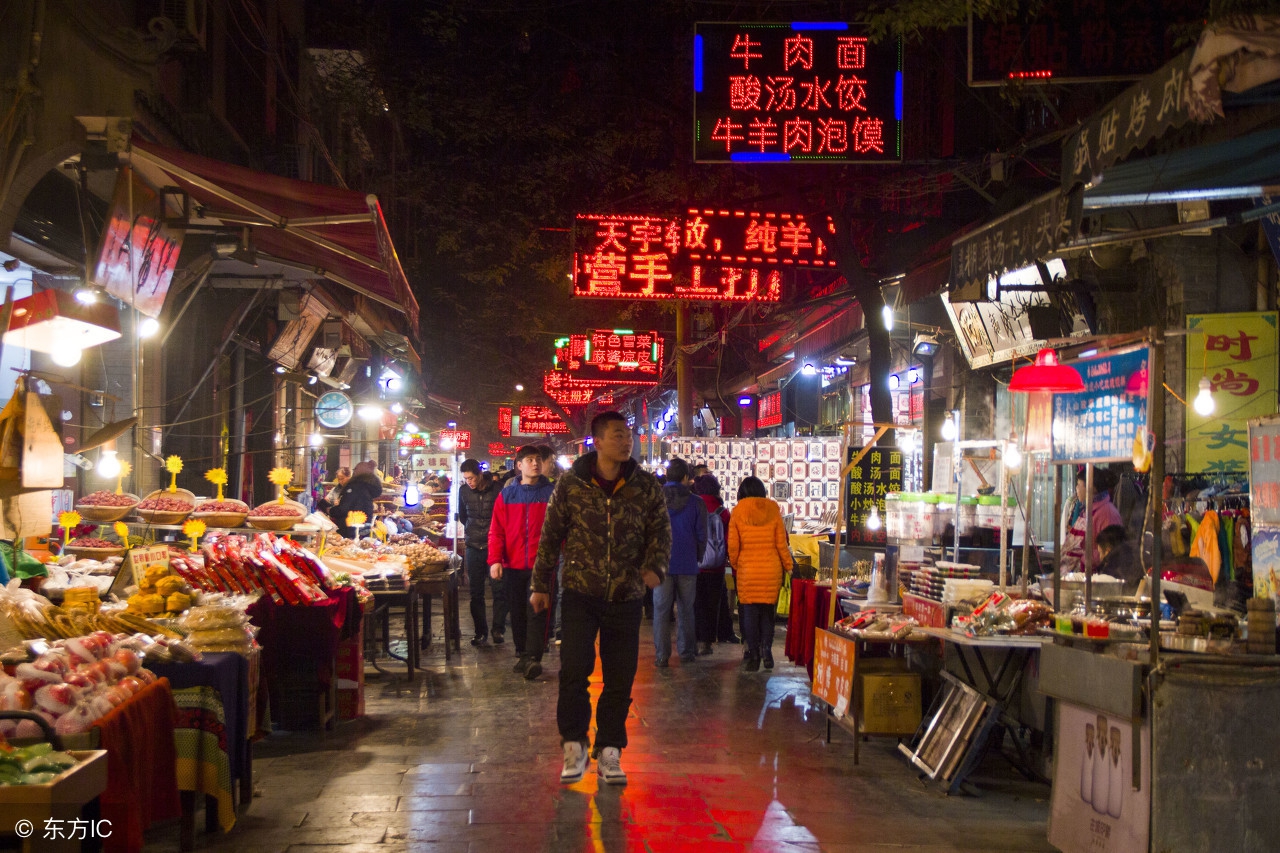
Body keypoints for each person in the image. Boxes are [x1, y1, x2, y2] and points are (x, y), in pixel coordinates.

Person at [531, 411, 670, 786]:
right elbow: (550, 536)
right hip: (579, 592)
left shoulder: (645, 486)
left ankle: (610, 749)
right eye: (618, 435)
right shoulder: (571, 484)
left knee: (620, 678)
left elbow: (660, 530)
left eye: (629, 436)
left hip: (626, 595)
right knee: (574, 670)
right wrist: (540, 585)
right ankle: (574, 745)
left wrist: (655, 565)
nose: (626, 442)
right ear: (597, 441)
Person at [488, 445, 555, 678]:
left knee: (537, 610)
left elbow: (561, 529)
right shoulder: (507, 495)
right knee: (516, 611)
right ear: (519, 465)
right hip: (512, 564)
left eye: (538, 459)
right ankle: (522, 653)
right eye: (529, 460)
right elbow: (496, 530)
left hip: (542, 565)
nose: (535, 463)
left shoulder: (552, 493)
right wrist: (495, 560)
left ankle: (533, 657)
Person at [728, 476, 791, 672]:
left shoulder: (737, 512)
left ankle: (753, 654)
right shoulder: (773, 509)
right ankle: (767, 650)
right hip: (770, 569)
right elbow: (782, 543)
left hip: (748, 569)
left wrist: (737, 564)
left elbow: (733, 545)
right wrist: (788, 565)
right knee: (767, 613)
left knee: (749, 614)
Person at [653, 458, 707, 667]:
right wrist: (698, 556)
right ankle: (685, 652)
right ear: (686, 477)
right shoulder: (696, 502)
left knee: (661, 611)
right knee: (686, 609)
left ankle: (661, 656)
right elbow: (702, 534)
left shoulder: (656, 500)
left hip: (661, 564)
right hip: (687, 563)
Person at [460, 459, 506, 646]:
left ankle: (498, 629)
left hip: (494, 547)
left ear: (480, 474)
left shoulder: (498, 489)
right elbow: (463, 516)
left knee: (499, 591)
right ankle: (480, 632)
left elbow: (504, 516)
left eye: (471, 478)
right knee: (475, 593)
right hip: (473, 546)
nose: (469, 482)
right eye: (466, 479)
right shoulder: (463, 491)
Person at [691, 473, 731, 656]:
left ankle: (696, 639)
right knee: (713, 604)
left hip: (696, 564)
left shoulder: (693, 507)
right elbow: (728, 540)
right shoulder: (723, 512)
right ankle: (708, 641)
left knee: (697, 603)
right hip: (717, 566)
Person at [1061, 467, 1124, 576]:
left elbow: (1113, 550)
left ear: (1091, 488)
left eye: (1079, 485)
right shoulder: (1087, 510)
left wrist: (1083, 559)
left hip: (1098, 579)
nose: (1076, 489)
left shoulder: (1107, 513)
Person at [331, 461, 382, 538]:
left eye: (356, 469)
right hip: (365, 525)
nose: (354, 471)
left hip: (351, 528)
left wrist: (331, 510)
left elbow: (344, 508)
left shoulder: (355, 487)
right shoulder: (367, 486)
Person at [1096, 524, 1144, 592]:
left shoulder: (1111, 572)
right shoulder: (1134, 561)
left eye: (1100, 552)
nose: (1099, 558)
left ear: (1107, 551)